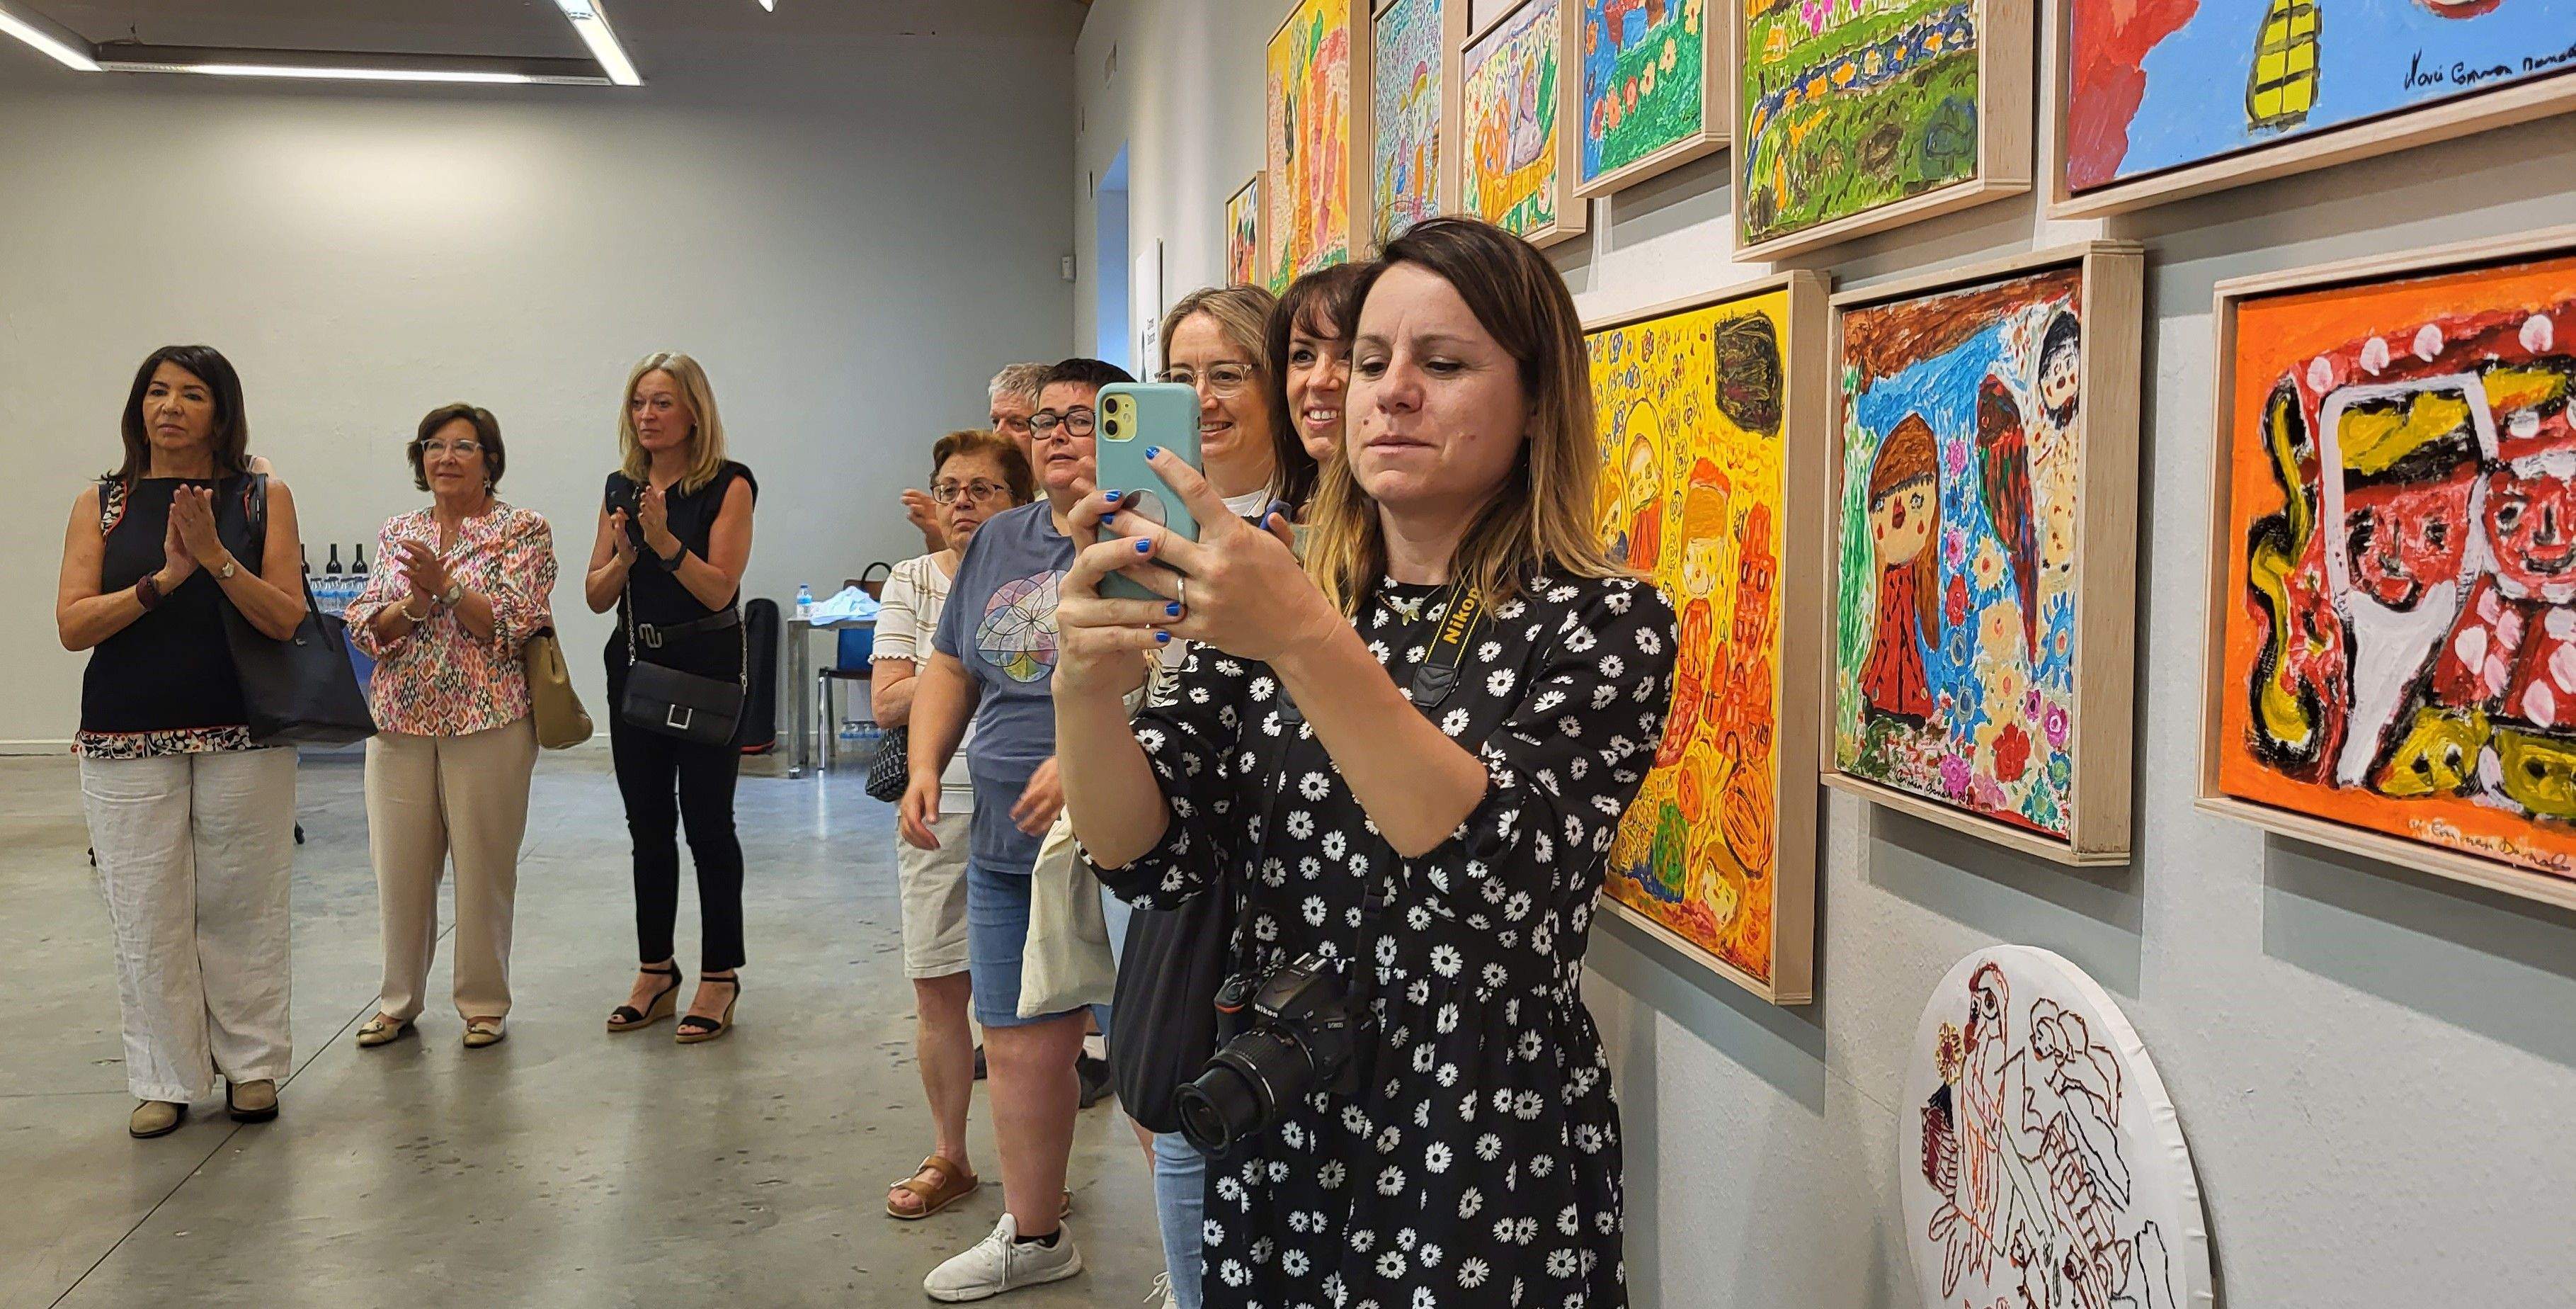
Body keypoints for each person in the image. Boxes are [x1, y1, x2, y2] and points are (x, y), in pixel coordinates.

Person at [1056, 217, 1678, 1308]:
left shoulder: (1600, 621)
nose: (1387, 392)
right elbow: (1146, 856)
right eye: (1369, 361)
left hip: (1482, 1138)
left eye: (1442, 364)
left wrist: (1301, 637)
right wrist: (1082, 689)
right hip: (1282, 1113)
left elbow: (1496, 873)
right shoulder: (1279, 591)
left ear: (1536, 400)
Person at [899, 358, 1134, 1301]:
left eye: (1086, 418)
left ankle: (1195, 1267)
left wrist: (1084, 762)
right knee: (1021, 1044)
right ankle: (1034, 1234)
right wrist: (925, 765)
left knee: (1155, 1059)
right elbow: (952, 664)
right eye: (1044, 423)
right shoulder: (1001, 537)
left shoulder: (1154, 536)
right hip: (1002, 843)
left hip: (1123, 845)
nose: (1061, 435)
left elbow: (1174, 677)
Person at [55, 345, 310, 1138]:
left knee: (243, 902)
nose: (169, 406)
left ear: (221, 413)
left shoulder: (263, 496)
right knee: (144, 910)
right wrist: (162, 580)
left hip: (244, 728)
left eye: (191, 394)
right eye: (156, 392)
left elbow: (286, 617)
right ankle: (163, 1077)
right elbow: (72, 626)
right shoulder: (102, 502)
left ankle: (253, 1067)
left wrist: (213, 557)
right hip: (125, 731)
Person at [343, 404, 558, 1052]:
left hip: (488, 721)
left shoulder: (523, 530)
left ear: (489, 459)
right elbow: (366, 622)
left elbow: (514, 623)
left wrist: (447, 590)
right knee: (399, 872)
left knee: (484, 871)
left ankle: (483, 1005)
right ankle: (398, 1001)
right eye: (434, 446)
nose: (446, 457)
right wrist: (412, 604)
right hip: (399, 723)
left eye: (463, 446)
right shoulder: (399, 530)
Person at [873, 429, 1035, 1220]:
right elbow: (886, 699)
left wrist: (949, 673)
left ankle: (1034, 1177)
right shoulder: (910, 579)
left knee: (1031, 1005)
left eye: (982, 489)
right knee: (939, 983)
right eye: (949, 490)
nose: (962, 503)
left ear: (1019, 501)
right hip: (939, 801)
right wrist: (970, 669)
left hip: (1030, 801)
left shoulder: (1044, 567)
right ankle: (950, 1154)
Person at [584, 351, 758, 1044]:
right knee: (646, 828)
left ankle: (720, 975)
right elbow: (596, 596)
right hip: (635, 662)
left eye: (661, 403)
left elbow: (721, 588)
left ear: (693, 412)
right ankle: (655, 971)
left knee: (709, 827)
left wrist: (663, 543)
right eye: (637, 403)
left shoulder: (729, 484)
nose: (647, 416)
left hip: (707, 666)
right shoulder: (619, 485)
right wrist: (628, 554)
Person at [1156, 287, 1285, 519]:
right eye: (1183, 379)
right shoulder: (1155, 509)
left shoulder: (1321, 518)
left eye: (1225, 376)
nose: (1201, 402)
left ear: (1276, 382)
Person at [908, 363, 1049, 557]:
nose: (999, 434)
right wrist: (940, 535)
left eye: (1017, 424)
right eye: (995, 422)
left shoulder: (1059, 506)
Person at [1265, 261, 1370, 510]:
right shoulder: (1283, 522)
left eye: (1348, 354)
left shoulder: (1408, 539)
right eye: (1303, 356)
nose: (1319, 379)